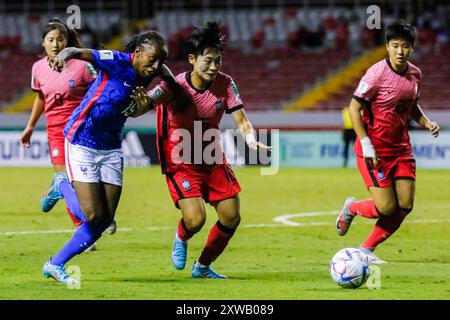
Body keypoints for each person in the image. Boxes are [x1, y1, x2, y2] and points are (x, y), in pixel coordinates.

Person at [130, 21, 271, 279]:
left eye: (218, 61)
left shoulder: (226, 84)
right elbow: (142, 107)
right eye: (208, 61)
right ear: (192, 59)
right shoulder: (175, 86)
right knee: (196, 220)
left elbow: (241, 119)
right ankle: (181, 237)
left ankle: (203, 267)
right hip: (180, 161)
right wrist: (138, 106)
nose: (214, 67)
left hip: (211, 159)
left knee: (231, 217)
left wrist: (250, 138)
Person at [41, 30, 174, 284]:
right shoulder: (116, 60)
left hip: (112, 146)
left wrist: (150, 102)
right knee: (92, 216)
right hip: (82, 139)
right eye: (153, 59)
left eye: (161, 61)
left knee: (104, 220)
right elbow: (80, 52)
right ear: (137, 53)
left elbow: (169, 84)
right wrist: (64, 56)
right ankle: (61, 186)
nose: (156, 66)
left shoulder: (154, 72)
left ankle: (54, 264)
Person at [336, 20, 440, 264]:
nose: (400, 52)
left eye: (405, 46)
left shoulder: (415, 74)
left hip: (401, 149)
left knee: (405, 205)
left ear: (412, 48)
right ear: (387, 46)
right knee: (386, 208)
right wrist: (367, 144)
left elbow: (411, 106)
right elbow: (354, 109)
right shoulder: (375, 74)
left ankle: (366, 250)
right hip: (374, 151)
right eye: (395, 46)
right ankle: (351, 208)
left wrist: (426, 123)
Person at [20, 19, 116, 250]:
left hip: (83, 132)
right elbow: (41, 97)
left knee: (86, 181)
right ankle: (83, 226)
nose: (55, 44)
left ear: (67, 40)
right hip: (55, 132)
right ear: (43, 43)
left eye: (60, 39)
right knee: (67, 182)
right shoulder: (38, 68)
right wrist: (30, 126)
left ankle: (99, 214)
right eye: (50, 40)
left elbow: (100, 90)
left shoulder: (81, 66)